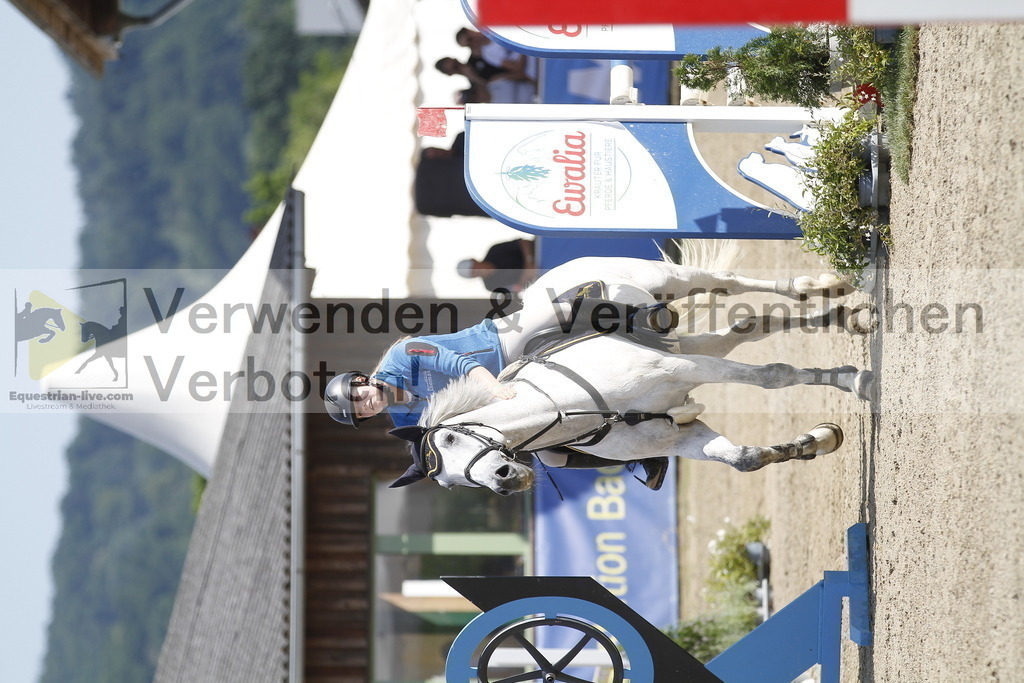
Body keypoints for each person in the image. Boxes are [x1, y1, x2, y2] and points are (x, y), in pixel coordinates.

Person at [323, 299, 674, 489]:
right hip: (508, 401)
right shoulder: (404, 420)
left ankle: (638, 318)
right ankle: (639, 455)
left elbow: (458, 364)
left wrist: (494, 386)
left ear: (361, 380)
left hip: (498, 350)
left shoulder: (404, 355)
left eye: (358, 397)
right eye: (360, 414)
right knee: (552, 457)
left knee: (556, 310)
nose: (365, 406)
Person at [457, 239, 536, 294]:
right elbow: (518, 288)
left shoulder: (494, 250)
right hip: (539, 278)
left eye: (473, 267)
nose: (476, 271)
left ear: (474, 260)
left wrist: (529, 263)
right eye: (473, 273)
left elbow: (523, 243)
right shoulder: (491, 286)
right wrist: (527, 275)